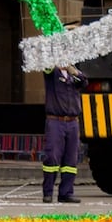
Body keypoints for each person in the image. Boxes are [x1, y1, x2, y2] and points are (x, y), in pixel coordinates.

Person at [41, 61, 88, 203]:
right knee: (52, 157)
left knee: (71, 159)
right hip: (55, 120)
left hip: (72, 121)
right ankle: (48, 192)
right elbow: (46, 68)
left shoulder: (73, 76)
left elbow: (84, 82)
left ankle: (66, 193)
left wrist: (74, 71)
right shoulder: (52, 73)